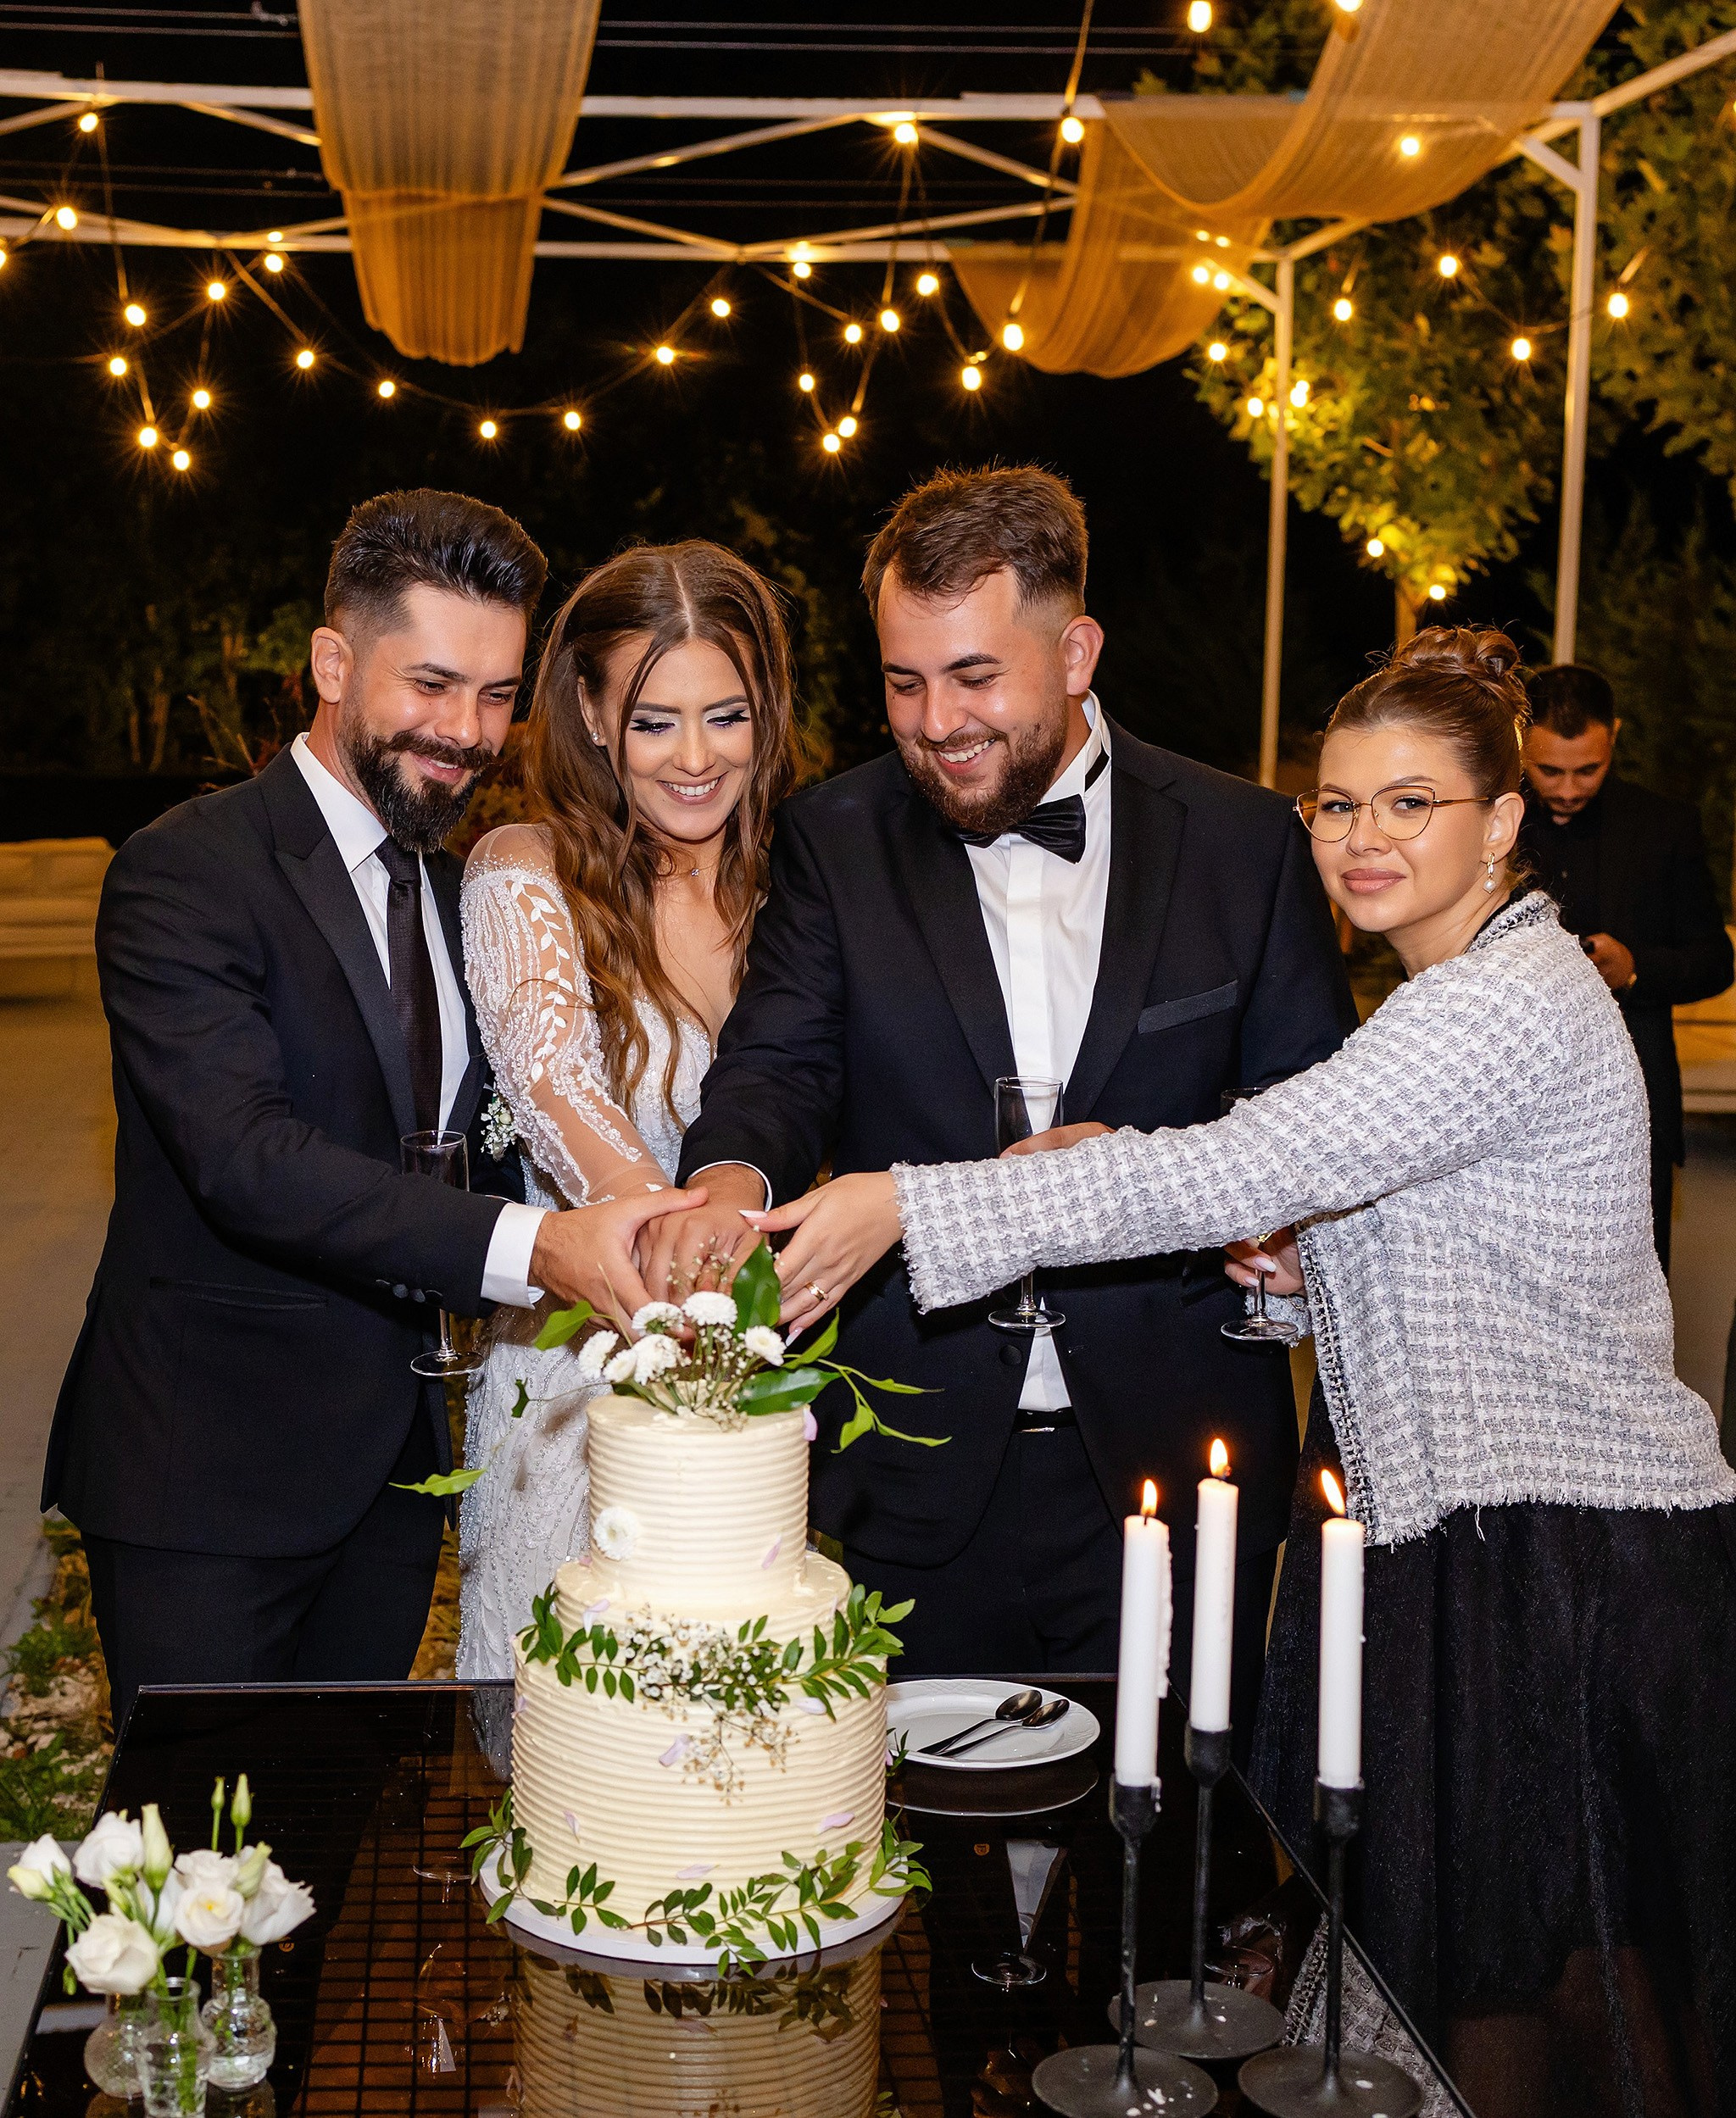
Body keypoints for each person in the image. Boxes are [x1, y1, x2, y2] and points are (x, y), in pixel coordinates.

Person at [758, 627, 1736, 2115]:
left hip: (1559, 1561)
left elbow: (1250, 1157)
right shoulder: (1455, 994)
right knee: (1498, 1989)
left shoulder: (1499, 1001)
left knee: (1559, 1999)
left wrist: (913, 1198)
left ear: (1503, 820)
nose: (1360, 838)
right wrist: (1296, 1266)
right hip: (1482, 1540)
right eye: (1336, 804)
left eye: (1411, 802)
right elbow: (1373, 1228)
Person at [657, 464, 1356, 1717]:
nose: (934, 721)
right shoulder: (837, 833)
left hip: (1175, 1452)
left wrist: (1287, 1232)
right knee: (928, 1878)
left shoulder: (1246, 842)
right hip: (914, 1460)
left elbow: (1310, 1115)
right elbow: (780, 1063)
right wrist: (727, 1180)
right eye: (903, 680)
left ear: (1077, 651)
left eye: (975, 676)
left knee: (1167, 1862)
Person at [47, 489, 693, 1723]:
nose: (468, 731)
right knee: (193, 1877)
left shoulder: (470, 893)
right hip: (206, 1481)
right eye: (434, 684)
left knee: (325, 1867)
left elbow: (498, 1126)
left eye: (499, 694)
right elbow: (247, 1157)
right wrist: (537, 1247)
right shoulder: (185, 871)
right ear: (334, 663)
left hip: (393, 1479)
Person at [454, 542, 804, 1677]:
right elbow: (556, 1091)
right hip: (577, 1383)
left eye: (727, 714)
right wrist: (695, 1267)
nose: (698, 758)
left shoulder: (804, 888)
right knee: (569, 1743)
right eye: (655, 720)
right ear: (594, 718)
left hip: (770, 1392)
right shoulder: (527, 871)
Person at [1520, 663, 1733, 1270]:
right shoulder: (1491, 822)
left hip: (1634, 1111)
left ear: (1614, 735)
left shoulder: (1664, 826)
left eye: (1588, 768)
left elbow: (1716, 960)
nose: (1566, 789)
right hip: (1517, 1108)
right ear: (1520, 744)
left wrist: (1636, 970)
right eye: (1548, 770)